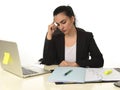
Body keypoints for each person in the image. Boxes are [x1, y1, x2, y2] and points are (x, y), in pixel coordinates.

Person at [40, 5, 104, 67]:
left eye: (63, 22)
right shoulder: (56, 37)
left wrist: (77, 64)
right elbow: (47, 62)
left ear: (72, 19)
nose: (61, 27)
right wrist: (49, 35)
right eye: (58, 24)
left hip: (79, 75)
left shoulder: (86, 37)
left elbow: (99, 61)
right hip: (60, 75)